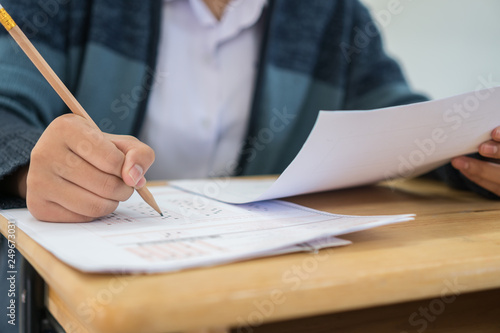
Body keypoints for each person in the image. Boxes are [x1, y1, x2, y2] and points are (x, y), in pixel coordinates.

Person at [0, 0, 499, 331]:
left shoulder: (334, 14)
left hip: (263, 293)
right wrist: (29, 163)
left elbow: (398, 120)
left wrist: (477, 152)